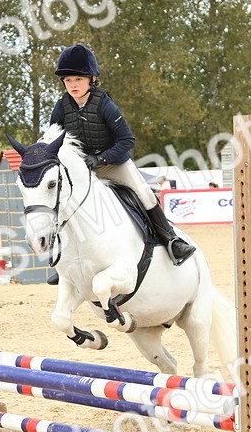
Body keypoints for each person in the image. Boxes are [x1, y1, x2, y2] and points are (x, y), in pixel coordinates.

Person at [48, 43, 196, 266]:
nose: (72, 85)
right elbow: (53, 140)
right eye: (68, 80)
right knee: (64, 203)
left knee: (144, 193)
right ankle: (65, 259)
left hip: (113, 163)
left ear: (92, 79)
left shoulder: (104, 104)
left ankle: (172, 241)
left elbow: (127, 140)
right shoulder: (61, 107)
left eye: (78, 79)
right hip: (83, 169)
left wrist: (100, 158)